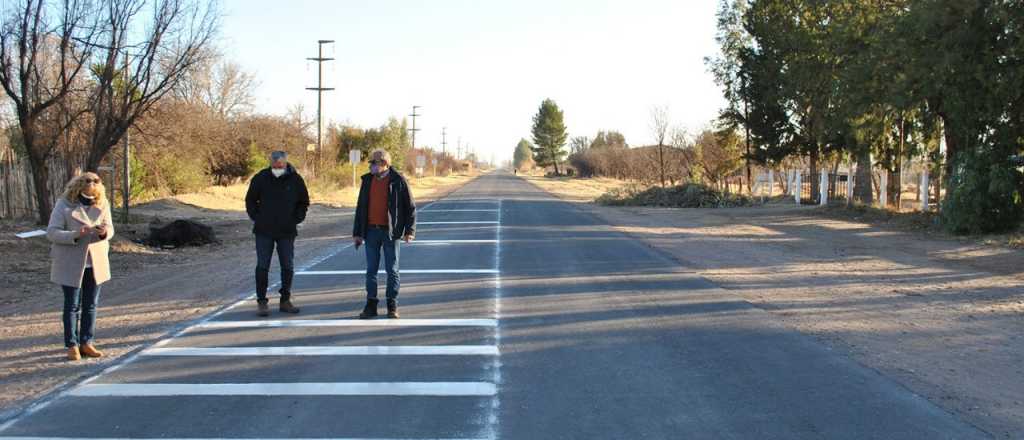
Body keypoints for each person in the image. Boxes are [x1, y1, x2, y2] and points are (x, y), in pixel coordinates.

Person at [47, 172, 114, 361]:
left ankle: (87, 342)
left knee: (91, 305)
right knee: (72, 306)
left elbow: (110, 228)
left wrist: (104, 233)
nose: (92, 184)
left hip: (96, 261)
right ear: (78, 184)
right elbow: (52, 232)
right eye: (88, 181)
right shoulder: (64, 204)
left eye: (96, 181)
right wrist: (75, 234)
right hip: (71, 261)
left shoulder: (103, 203)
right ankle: (72, 345)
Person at [352, 148, 416, 319]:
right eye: (371, 163)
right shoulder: (367, 181)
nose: (371, 166)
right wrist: (357, 233)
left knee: (392, 270)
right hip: (371, 231)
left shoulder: (398, 181)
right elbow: (360, 208)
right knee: (371, 270)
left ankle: (392, 305)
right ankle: (371, 304)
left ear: (384, 164)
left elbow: (410, 208)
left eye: (374, 163)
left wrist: (410, 230)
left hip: (390, 233)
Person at [245, 150, 310, 317]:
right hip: (264, 231)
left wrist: (296, 218)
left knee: (287, 266)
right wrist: (257, 218)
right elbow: (250, 200)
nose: (277, 168)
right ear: (270, 164)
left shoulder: (295, 179)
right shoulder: (261, 178)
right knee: (262, 266)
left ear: (285, 163)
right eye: (274, 166)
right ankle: (261, 302)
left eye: (280, 165)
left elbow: (304, 202)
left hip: (287, 231)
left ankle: (285, 300)